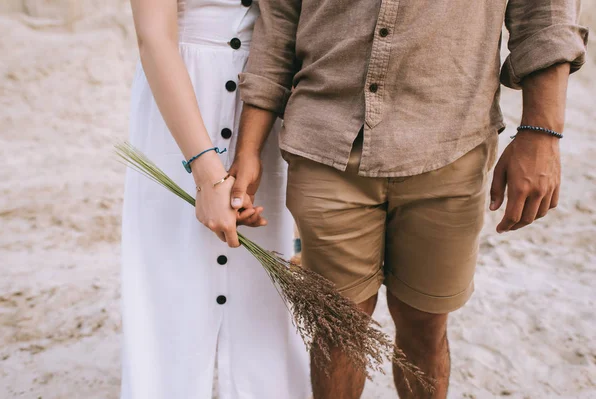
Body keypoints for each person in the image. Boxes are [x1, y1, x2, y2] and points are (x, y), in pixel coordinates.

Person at [229, 1, 589, 398]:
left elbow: (544, 13)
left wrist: (541, 132)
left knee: (425, 327)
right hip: (325, 145)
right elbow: (277, 26)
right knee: (338, 330)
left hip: (450, 144)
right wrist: (247, 152)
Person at [120, 1, 310, 398]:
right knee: (171, 275)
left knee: (267, 289)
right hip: (181, 93)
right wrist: (206, 173)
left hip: (268, 97)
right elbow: (153, 37)